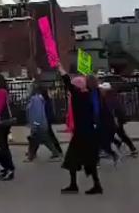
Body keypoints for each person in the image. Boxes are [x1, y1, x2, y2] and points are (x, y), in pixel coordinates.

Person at [58, 64, 102, 195]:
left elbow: (67, 83)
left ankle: (74, 185)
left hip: (81, 134)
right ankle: (95, 185)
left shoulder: (78, 97)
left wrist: (60, 68)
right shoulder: (90, 96)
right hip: (89, 133)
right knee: (89, 162)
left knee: (72, 159)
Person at [25, 84, 61, 162]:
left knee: (40, 139)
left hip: (39, 124)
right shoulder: (36, 99)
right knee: (41, 140)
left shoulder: (36, 100)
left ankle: (31, 156)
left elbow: (37, 113)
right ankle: (31, 155)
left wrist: (36, 124)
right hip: (39, 123)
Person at [101, 82, 138, 158]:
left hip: (115, 120)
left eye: (102, 89)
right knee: (121, 135)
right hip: (117, 120)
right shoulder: (111, 96)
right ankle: (133, 149)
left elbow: (112, 110)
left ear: (106, 90)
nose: (101, 90)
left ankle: (106, 150)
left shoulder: (109, 98)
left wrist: (115, 121)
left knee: (107, 135)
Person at [40, 87, 64, 156]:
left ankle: (57, 151)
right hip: (47, 121)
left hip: (46, 121)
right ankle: (58, 150)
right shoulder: (47, 101)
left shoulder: (46, 102)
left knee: (48, 136)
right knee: (48, 135)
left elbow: (46, 113)